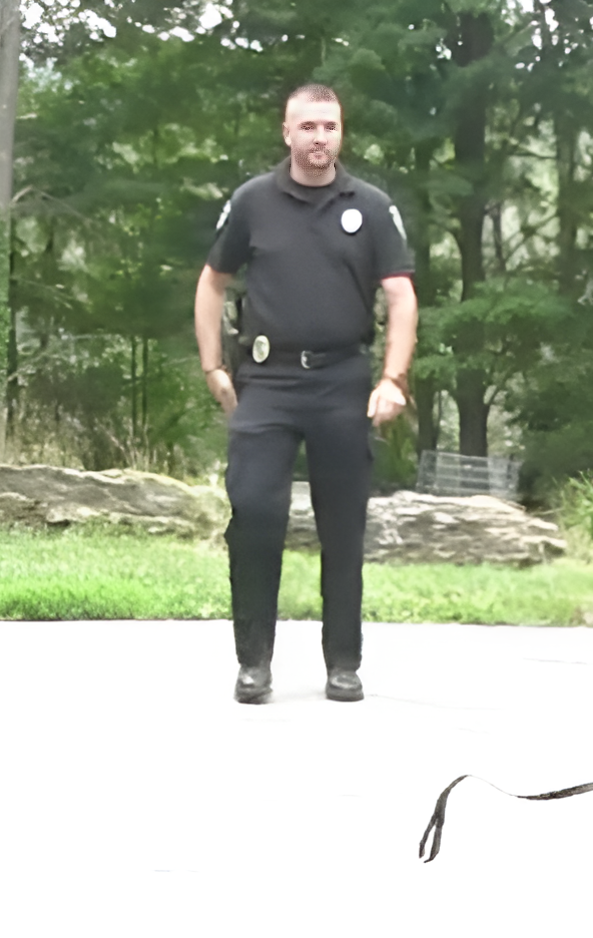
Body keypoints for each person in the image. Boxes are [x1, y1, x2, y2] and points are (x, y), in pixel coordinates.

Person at [192, 83, 417, 705]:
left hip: (343, 381)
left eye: (331, 127)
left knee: (342, 527)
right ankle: (253, 664)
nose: (320, 138)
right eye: (309, 127)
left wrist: (392, 379)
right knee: (256, 513)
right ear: (286, 133)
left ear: (341, 134)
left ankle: (343, 662)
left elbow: (400, 296)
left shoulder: (370, 207)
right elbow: (212, 283)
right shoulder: (253, 203)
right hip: (266, 381)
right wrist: (214, 366)